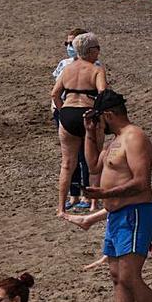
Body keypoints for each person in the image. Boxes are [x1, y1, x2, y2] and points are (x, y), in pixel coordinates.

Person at [83, 89, 152, 302]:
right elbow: (94, 166)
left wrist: (105, 195)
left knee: (131, 276)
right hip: (117, 217)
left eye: (100, 119)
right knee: (118, 277)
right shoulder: (114, 141)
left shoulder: (134, 137)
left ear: (108, 114)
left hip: (134, 213)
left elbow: (142, 181)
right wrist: (89, 133)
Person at [50, 33, 106, 215]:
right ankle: (92, 204)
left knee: (67, 163)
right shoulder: (96, 70)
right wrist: (97, 114)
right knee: (94, 162)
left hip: (68, 115)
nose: (99, 52)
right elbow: (103, 94)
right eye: (97, 48)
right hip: (87, 115)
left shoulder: (67, 70)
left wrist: (62, 112)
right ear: (90, 51)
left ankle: (60, 207)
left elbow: (55, 94)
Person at [52, 28, 91, 210]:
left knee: (84, 157)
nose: (68, 47)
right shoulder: (64, 65)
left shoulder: (93, 65)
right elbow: (55, 92)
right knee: (70, 159)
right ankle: (74, 195)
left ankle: (86, 195)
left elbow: (56, 93)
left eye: (72, 43)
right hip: (67, 113)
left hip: (77, 113)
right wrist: (61, 112)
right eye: (66, 43)